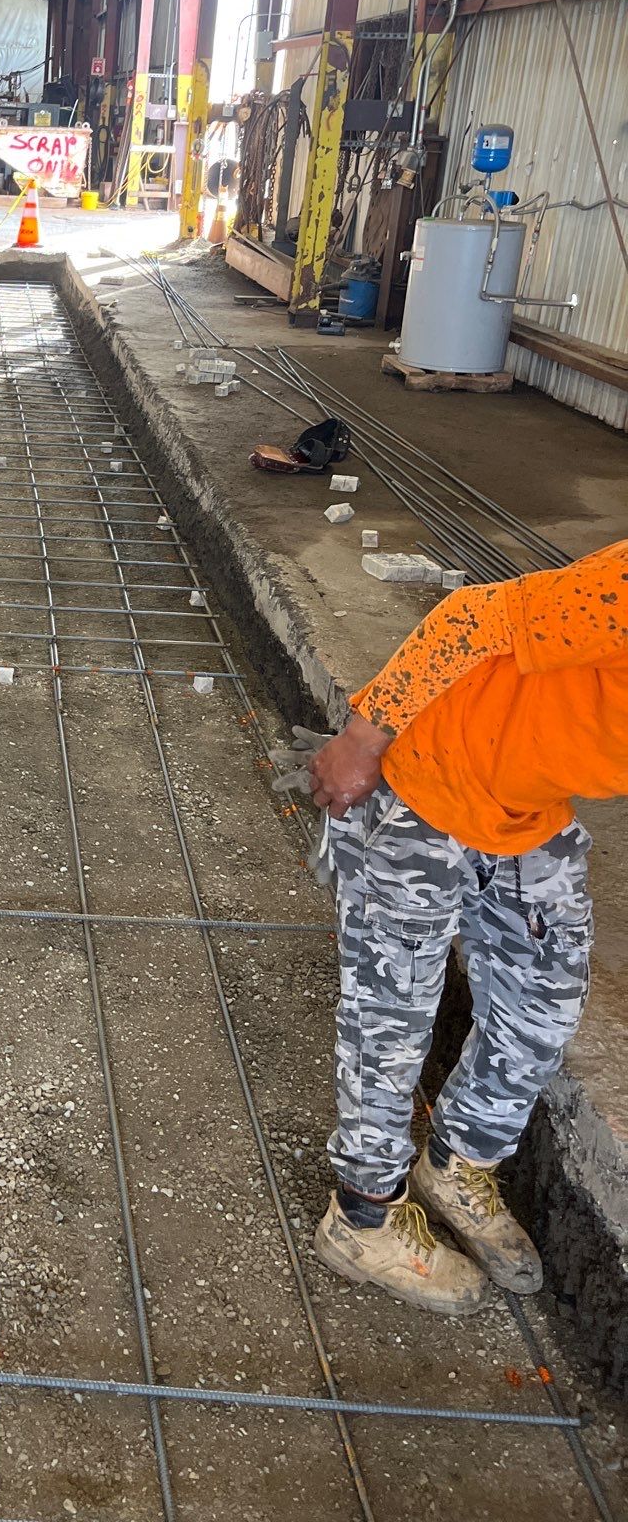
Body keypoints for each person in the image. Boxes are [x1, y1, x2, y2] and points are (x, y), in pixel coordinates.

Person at [306, 541, 626, 1315]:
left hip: (522, 807)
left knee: (544, 1000)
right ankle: (361, 1220)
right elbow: (470, 617)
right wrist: (362, 739)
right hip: (425, 776)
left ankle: (456, 1164)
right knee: (391, 1019)